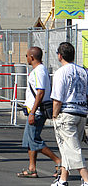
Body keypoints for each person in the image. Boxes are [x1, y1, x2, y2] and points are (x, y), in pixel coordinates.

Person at [17, 46, 61, 178]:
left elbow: (40, 92)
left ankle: (58, 161)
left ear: (31, 57)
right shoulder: (38, 70)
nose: (26, 58)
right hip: (34, 110)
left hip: (36, 112)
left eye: (27, 56)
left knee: (34, 140)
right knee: (30, 141)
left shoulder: (39, 71)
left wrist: (32, 112)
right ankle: (32, 168)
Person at [51, 42, 88, 186]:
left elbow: (57, 98)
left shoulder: (61, 72)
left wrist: (55, 115)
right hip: (81, 112)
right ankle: (63, 179)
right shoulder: (83, 71)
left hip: (66, 113)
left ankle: (86, 179)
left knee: (73, 149)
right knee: (67, 147)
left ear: (60, 56)